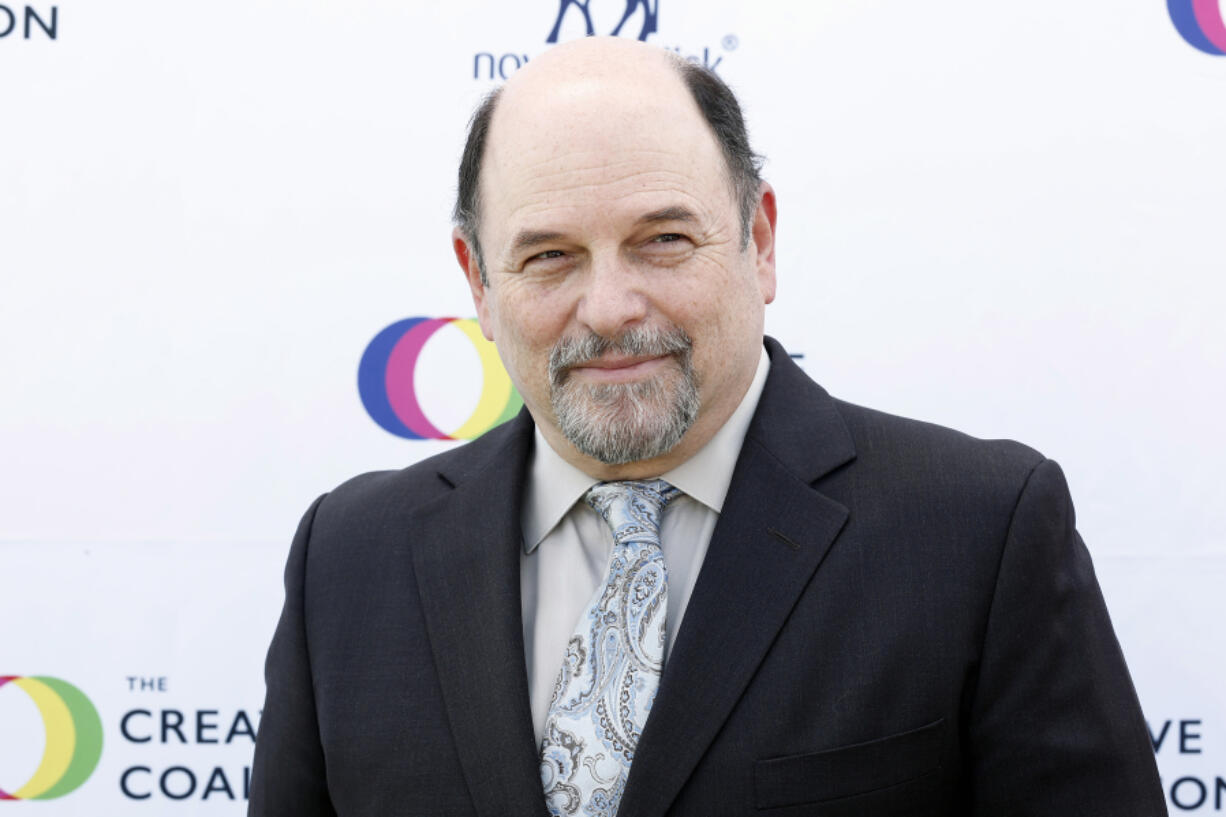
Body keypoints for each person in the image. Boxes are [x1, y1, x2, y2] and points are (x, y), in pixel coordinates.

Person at [249, 36, 1166, 817]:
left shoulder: (977, 532)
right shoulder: (349, 557)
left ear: (760, 242)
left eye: (664, 240)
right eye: (549, 256)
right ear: (479, 283)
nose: (609, 307)